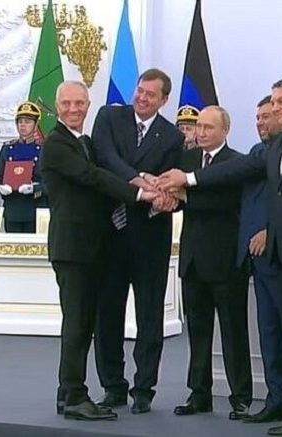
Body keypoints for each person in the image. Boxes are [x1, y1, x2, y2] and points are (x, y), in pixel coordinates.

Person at [158, 77, 282, 437]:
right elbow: (236, 170)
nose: (274, 108)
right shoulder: (278, 145)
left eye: (281, 102)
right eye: (273, 102)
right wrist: (188, 177)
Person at [40, 80, 158, 422]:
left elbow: (102, 176)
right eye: (67, 104)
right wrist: (139, 193)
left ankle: (66, 393)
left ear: (88, 105)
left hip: (90, 249)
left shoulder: (85, 142)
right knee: (77, 325)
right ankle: (76, 396)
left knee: (82, 324)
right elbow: (91, 177)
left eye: (80, 103)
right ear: (57, 107)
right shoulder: (57, 144)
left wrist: (143, 180)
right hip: (73, 249)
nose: (73, 109)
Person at [90, 68, 183, 414]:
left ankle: (144, 388)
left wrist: (167, 198)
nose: (142, 98)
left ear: (164, 100)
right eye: (140, 91)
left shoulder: (172, 137)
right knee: (107, 315)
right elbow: (106, 158)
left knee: (149, 316)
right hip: (109, 235)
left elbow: (173, 184)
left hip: (150, 237)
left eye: (150, 94)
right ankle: (113, 385)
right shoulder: (109, 117)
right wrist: (138, 179)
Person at [170, 106, 252, 421]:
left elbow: (226, 201)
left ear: (225, 131)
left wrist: (187, 196)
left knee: (233, 331)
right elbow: (177, 199)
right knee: (198, 331)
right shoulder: (187, 160)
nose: (201, 132)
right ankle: (199, 394)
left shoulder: (237, 162)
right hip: (192, 261)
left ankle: (241, 397)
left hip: (226, 262)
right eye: (198, 126)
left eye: (208, 127)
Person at [238, 96, 282, 424]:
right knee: (269, 331)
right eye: (257, 118)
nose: (260, 123)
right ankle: (278, 398)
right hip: (259, 262)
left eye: (266, 117)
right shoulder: (257, 153)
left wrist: (269, 232)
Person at [0, 101, 47, 233]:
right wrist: (2, 188)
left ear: (36, 125)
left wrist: (34, 188)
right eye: (20, 121)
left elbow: (50, 183)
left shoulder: (44, 150)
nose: (23, 125)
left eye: (27, 122)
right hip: (13, 209)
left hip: (34, 209)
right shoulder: (7, 149)